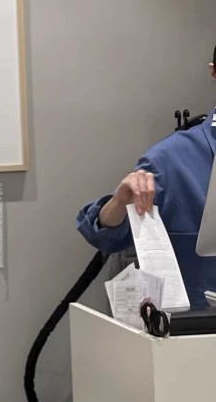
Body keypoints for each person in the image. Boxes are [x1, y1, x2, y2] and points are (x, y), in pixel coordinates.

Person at [77, 48, 216, 307]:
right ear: (213, 72)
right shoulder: (170, 161)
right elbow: (107, 238)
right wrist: (120, 202)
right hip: (198, 327)